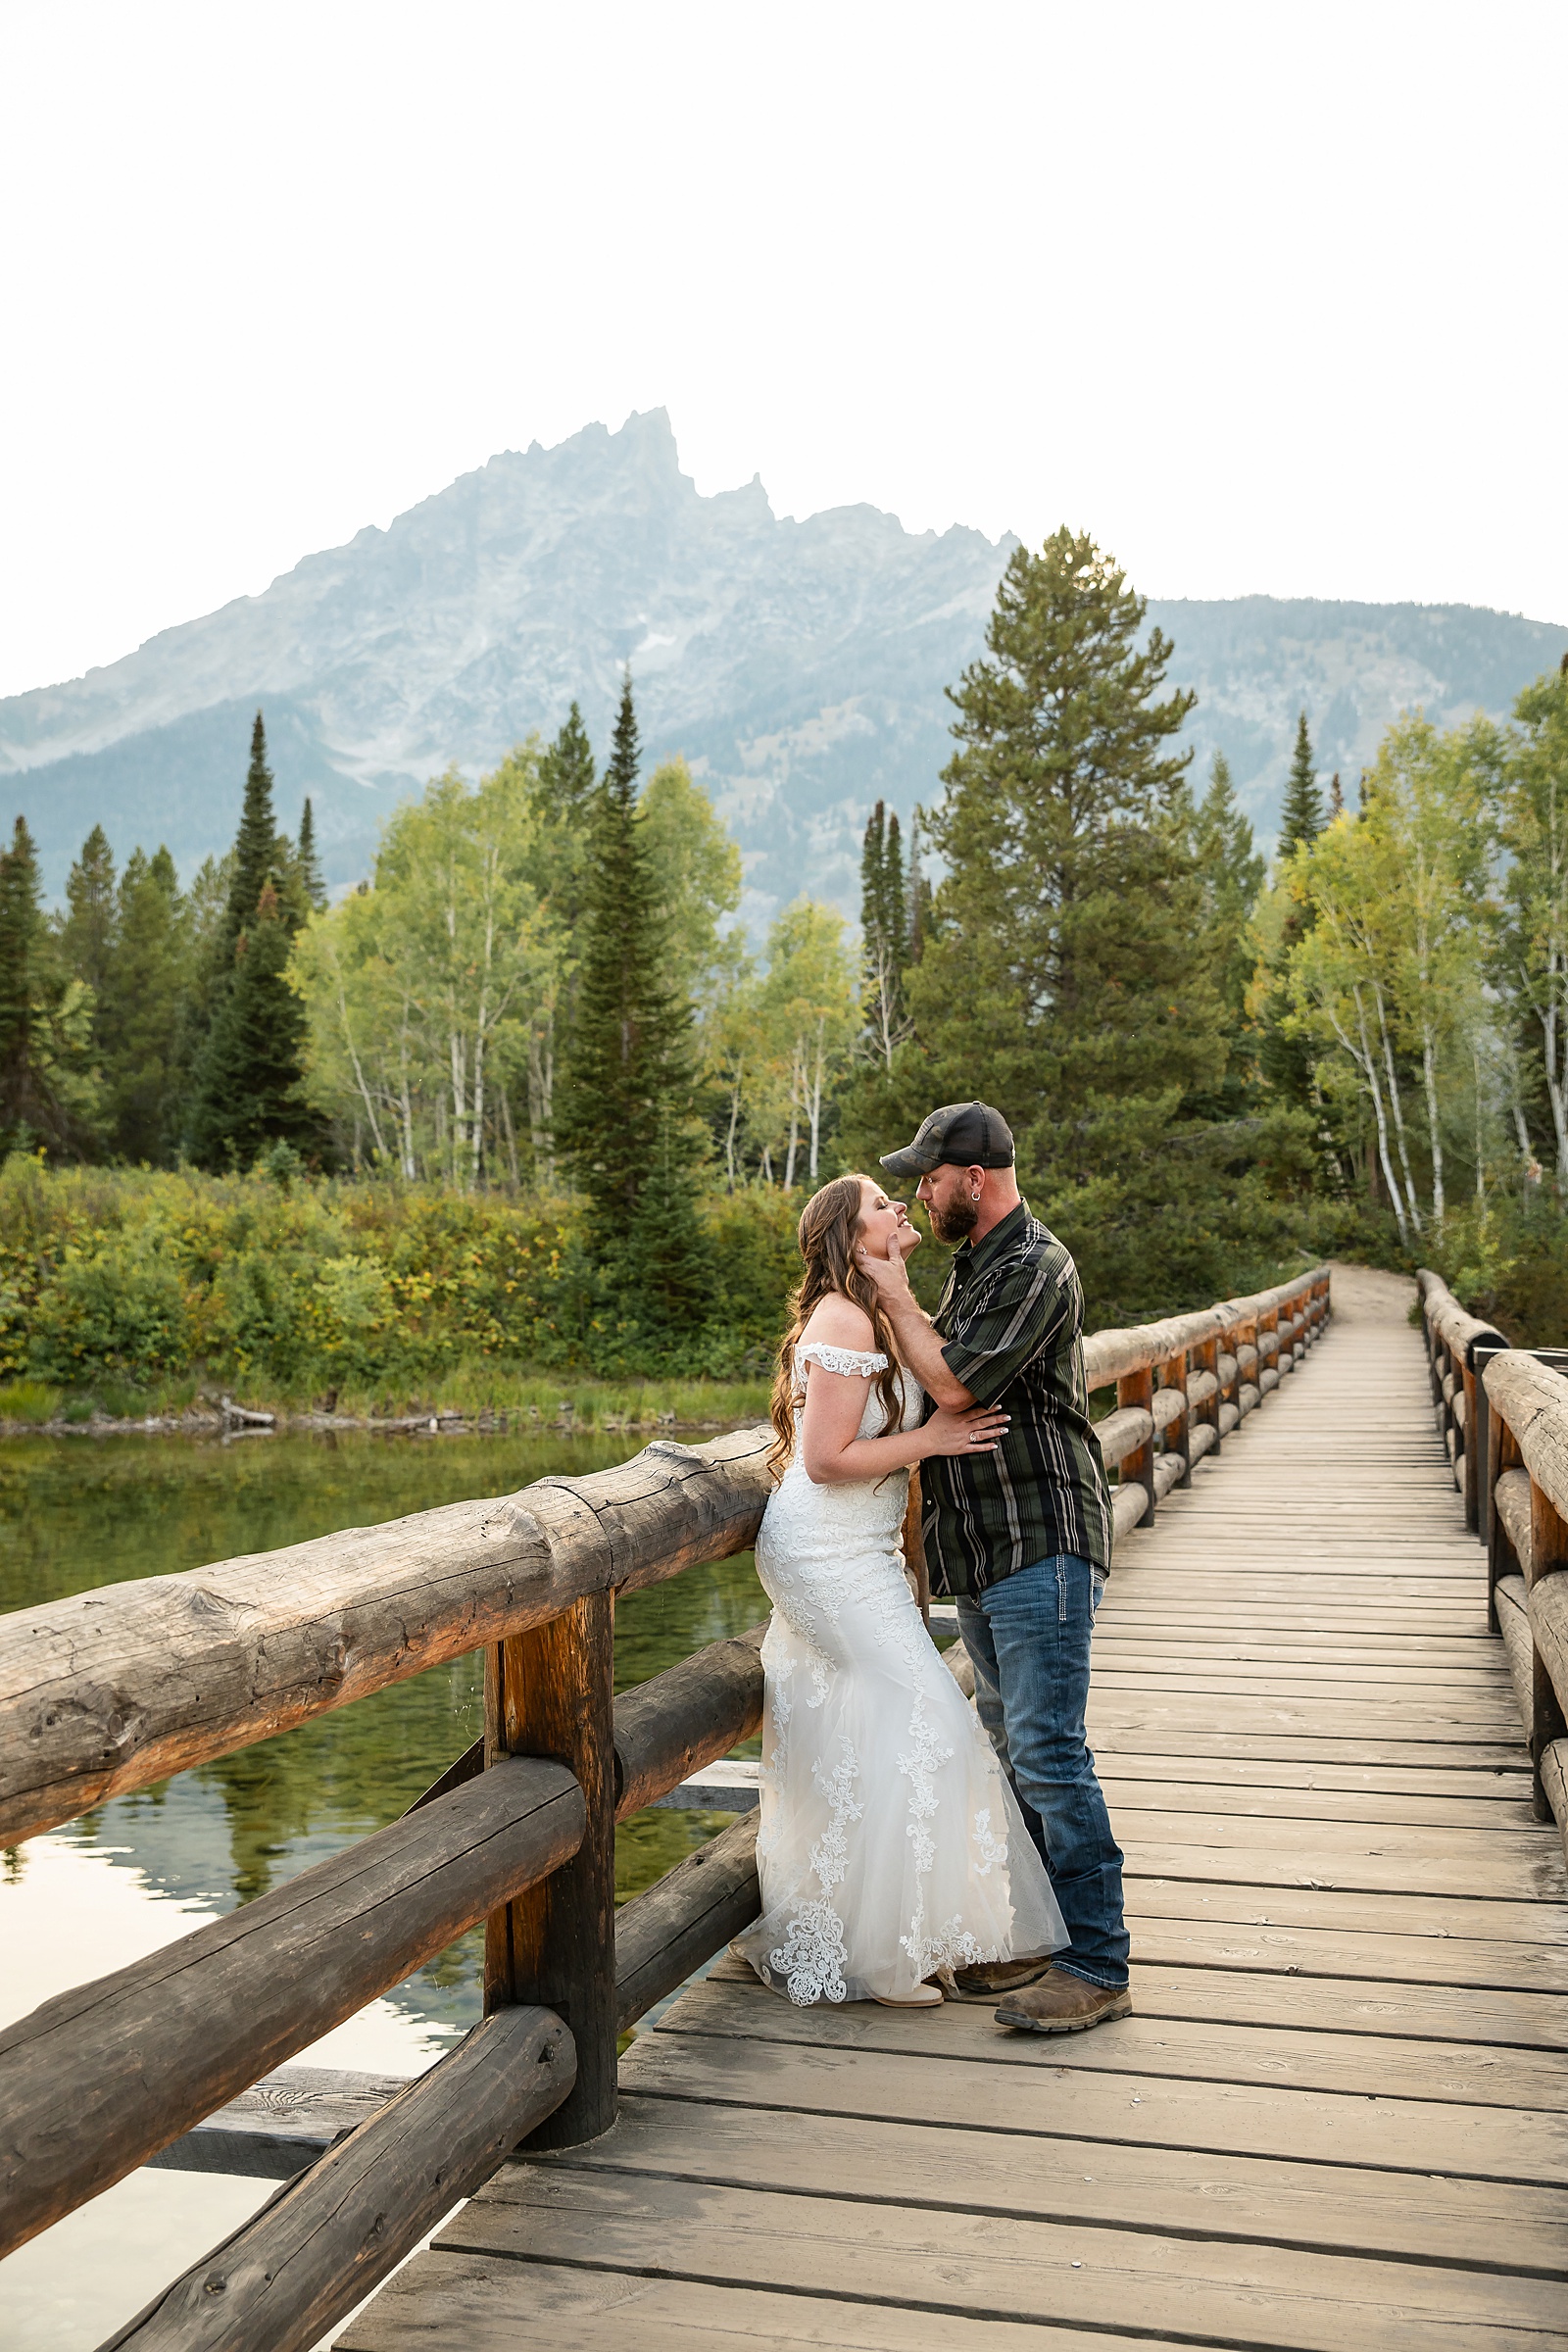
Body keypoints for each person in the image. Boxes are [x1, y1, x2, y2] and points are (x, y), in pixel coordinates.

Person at [731, 1170, 1068, 2009]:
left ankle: (890, 1932)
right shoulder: (844, 1318)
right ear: (850, 1239)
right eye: (883, 1203)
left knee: (881, 1730)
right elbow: (824, 1460)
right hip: (822, 1547)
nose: (902, 1206)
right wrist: (935, 1439)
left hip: (869, 1550)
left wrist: (929, 1421)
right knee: (930, 1726)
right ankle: (883, 1960)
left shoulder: (884, 1308)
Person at [856, 1100, 1132, 2034]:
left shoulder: (1034, 1265)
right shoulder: (979, 1266)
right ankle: (1038, 1932)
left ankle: (1096, 1961)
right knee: (1013, 1754)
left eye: (928, 1177)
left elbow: (957, 1384)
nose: (919, 1193)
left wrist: (892, 1292)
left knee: (1051, 1754)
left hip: (1041, 1539)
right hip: (985, 1549)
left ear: (974, 1176)